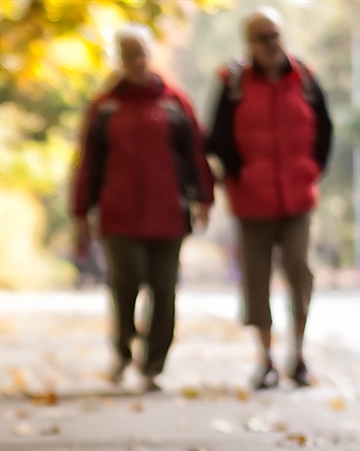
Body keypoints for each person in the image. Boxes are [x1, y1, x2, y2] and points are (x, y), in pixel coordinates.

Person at [71, 23, 214, 392]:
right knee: (125, 284)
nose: (136, 61)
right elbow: (87, 164)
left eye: (141, 53)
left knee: (165, 290)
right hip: (118, 214)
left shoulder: (174, 102)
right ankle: (122, 349)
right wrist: (80, 213)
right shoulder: (105, 107)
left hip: (168, 212)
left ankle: (153, 365)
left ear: (152, 55)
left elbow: (195, 154)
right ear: (120, 60)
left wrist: (204, 198)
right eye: (128, 55)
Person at [207, 7, 333, 389]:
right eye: (262, 37)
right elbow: (217, 138)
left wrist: (312, 171)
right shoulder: (233, 83)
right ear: (249, 44)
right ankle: (265, 360)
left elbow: (325, 131)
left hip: (298, 199)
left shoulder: (305, 78)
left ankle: (299, 355)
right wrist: (240, 177)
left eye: (275, 34)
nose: (271, 43)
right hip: (251, 202)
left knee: (299, 270)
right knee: (256, 280)